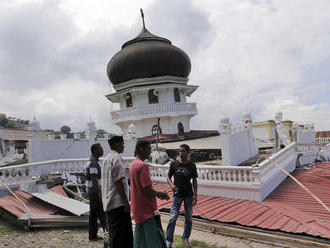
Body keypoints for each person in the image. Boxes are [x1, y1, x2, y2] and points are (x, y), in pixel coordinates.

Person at [130, 140, 170, 248]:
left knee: (140, 240)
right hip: (146, 210)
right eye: (148, 149)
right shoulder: (142, 165)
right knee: (154, 240)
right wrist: (160, 194)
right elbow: (146, 189)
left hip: (137, 209)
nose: (150, 152)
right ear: (141, 149)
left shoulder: (133, 164)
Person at [102, 136, 133, 248]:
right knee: (122, 236)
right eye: (122, 144)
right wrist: (126, 202)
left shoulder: (106, 159)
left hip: (109, 202)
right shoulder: (117, 159)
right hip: (118, 203)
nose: (123, 146)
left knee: (114, 233)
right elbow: (119, 181)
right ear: (116, 145)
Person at [166, 144, 198, 248]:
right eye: (180, 151)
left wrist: (195, 195)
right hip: (177, 195)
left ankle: (185, 239)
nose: (181, 153)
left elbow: (194, 180)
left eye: (183, 151)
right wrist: (172, 185)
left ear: (188, 153)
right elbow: (168, 177)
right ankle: (169, 241)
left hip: (188, 195)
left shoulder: (192, 165)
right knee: (173, 217)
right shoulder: (174, 164)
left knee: (188, 218)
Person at [85, 143, 106, 241]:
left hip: (92, 192)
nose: (102, 150)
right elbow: (94, 178)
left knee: (93, 215)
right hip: (95, 192)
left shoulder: (92, 161)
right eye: (100, 149)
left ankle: (92, 236)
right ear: (95, 151)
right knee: (101, 214)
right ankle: (108, 234)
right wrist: (99, 193)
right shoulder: (94, 162)